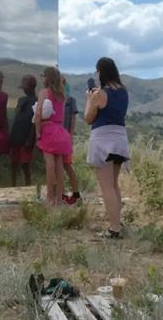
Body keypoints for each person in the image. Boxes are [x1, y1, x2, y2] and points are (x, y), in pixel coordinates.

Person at [85, 57, 129, 239]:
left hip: (103, 140)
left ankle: (114, 228)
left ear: (101, 72)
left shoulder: (100, 94)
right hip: (120, 140)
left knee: (106, 188)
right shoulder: (124, 91)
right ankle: (117, 223)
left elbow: (88, 118)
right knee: (114, 185)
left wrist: (89, 99)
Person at [35, 67, 72, 206]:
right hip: (60, 130)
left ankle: (50, 197)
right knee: (59, 165)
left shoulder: (44, 92)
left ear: (47, 77)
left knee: (49, 164)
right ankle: (60, 198)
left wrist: (37, 132)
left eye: (43, 76)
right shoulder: (61, 94)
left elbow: (38, 113)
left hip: (48, 130)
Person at [9, 75, 37, 186]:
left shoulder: (36, 101)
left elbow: (35, 122)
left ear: (31, 86)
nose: (23, 89)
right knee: (13, 162)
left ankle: (28, 185)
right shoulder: (21, 100)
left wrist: (31, 138)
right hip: (16, 135)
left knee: (25, 164)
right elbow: (17, 116)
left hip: (27, 136)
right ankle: (12, 185)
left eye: (25, 86)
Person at [62, 76, 81, 205]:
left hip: (65, 136)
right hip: (56, 136)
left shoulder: (70, 100)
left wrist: (70, 135)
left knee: (67, 165)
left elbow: (73, 118)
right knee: (58, 166)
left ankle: (75, 193)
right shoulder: (54, 99)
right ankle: (61, 193)